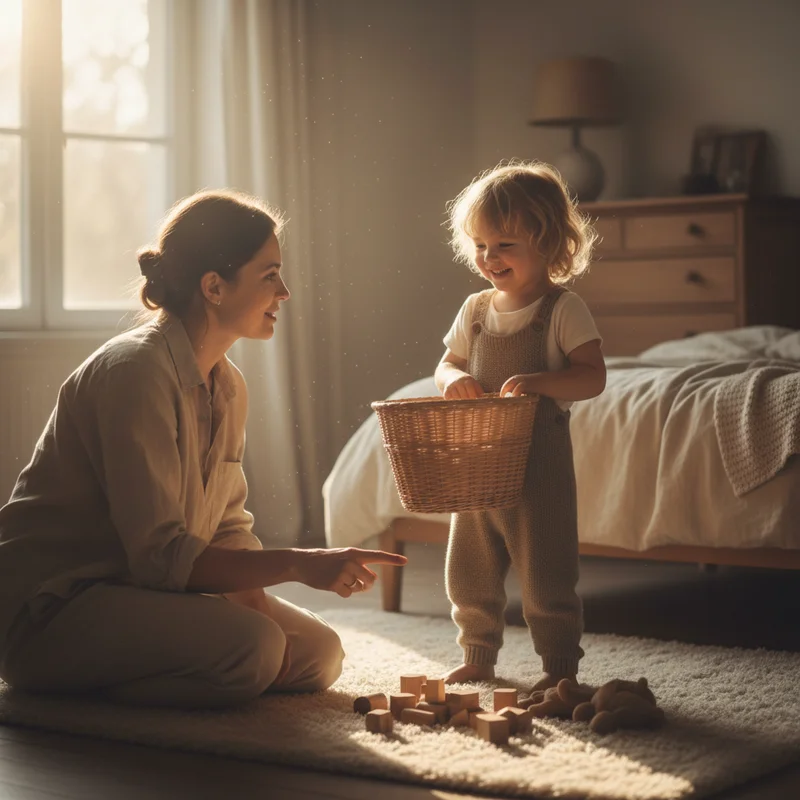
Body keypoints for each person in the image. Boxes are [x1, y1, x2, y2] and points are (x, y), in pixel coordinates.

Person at [0, 189, 407, 709]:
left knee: (318, 653)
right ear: (214, 286)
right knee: (253, 650)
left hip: (138, 593)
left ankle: (191, 670)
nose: (284, 292)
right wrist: (298, 564)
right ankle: (69, 704)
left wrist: (259, 606)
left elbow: (227, 526)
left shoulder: (227, 383)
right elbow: (160, 557)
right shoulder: (134, 373)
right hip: (55, 608)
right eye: (269, 274)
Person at [434, 161, 606, 695]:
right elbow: (446, 363)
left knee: (547, 572)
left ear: (550, 243)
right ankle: (478, 654)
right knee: (470, 565)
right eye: (481, 246)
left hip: (540, 469)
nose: (489, 258)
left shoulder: (562, 309)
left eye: (504, 245)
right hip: (479, 462)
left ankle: (558, 667)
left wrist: (539, 381)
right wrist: (453, 381)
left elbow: (592, 378)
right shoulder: (476, 309)